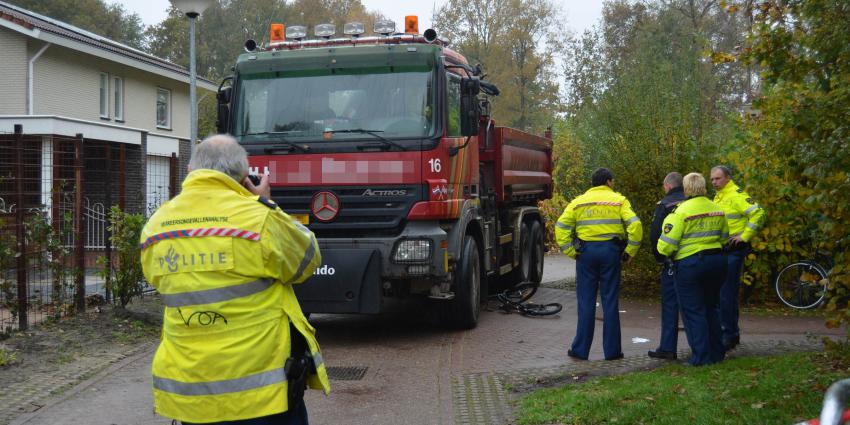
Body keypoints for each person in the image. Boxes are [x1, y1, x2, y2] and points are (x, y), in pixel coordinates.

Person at [139, 135, 330, 425]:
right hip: (259, 395)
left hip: (191, 391)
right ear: (244, 177)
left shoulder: (156, 226)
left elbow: (158, 279)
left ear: (191, 171)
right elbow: (306, 260)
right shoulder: (259, 219)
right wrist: (264, 202)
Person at [555, 168, 642, 361]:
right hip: (611, 253)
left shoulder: (578, 202)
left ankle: (580, 350)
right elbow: (635, 225)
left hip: (586, 254)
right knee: (610, 301)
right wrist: (630, 252)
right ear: (609, 182)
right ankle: (612, 352)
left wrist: (571, 251)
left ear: (593, 183)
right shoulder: (619, 200)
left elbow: (561, 227)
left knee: (586, 302)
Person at [657, 172, 728, 366]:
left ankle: (700, 357)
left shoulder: (680, 212)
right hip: (717, 263)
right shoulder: (717, 209)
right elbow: (724, 237)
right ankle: (717, 353)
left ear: (687, 189)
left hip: (691, 266)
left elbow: (666, 245)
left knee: (693, 311)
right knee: (712, 308)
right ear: (704, 187)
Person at [710, 165, 766, 351]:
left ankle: (729, 334)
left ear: (727, 178)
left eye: (717, 178)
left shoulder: (735, 194)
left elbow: (758, 213)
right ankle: (728, 333)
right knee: (723, 293)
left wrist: (745, 236)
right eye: (712, 179)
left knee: (727, 294)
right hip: (721, 250)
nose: (714, 182)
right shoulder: (719, 196)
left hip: (733, 250)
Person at [648, 172, 685, 360]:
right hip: (695, 260)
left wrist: (660, 259)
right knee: (696, 306)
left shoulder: (664, 205)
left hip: (672, 261)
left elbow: (656, 234)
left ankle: (668, 347)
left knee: (670, 305)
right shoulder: (694, 204)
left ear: (667, 186)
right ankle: (704, 347)